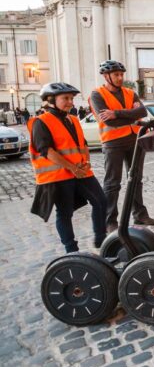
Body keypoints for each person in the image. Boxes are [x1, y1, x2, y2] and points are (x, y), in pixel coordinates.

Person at [29, 83, 107, 253]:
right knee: (65, 213)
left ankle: (101, 240)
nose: (70, 102)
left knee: (101, 201)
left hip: (81, 171)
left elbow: (83, 144)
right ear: (50, 100)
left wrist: (85, 162)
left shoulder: (73, 119)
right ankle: (71, 250)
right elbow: (46, 151)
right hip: (59, 175)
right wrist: (72, 167)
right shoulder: (40, 122)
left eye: (71, 98)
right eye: (65, 98)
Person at [89, 60, 154, 233]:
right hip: (113, 142)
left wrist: (117, 113)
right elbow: (108, 121)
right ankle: (110, 220)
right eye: (116, 75)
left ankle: (140, 214)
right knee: (112, 183)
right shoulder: (97, 95)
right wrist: (129, 115)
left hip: (135, 139)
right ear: (106, 76)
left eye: (121, 74)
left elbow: (142, 112)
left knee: (136, 178)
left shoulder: (130, 92)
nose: (120, 78)